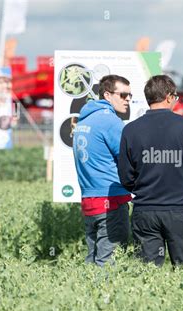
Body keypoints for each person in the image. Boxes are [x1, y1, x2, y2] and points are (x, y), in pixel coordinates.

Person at [118, 75, 183, 267]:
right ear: (169, 97)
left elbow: (126, 178)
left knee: (147, 274)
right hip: (180, 210)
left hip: (144, 211)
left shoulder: (130, 130)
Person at [72, 74, 133, 266]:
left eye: (130, 95)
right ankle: (105, 297)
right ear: (107, 94)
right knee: (108, 263)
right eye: (123, 95)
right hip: (111, 199)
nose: (128, 100)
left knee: (92, 259)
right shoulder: (110, 121)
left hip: (89, 200)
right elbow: (129, 157)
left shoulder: (84, 121)